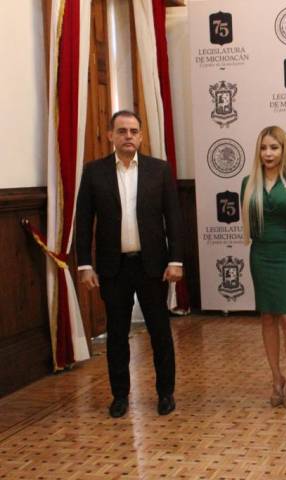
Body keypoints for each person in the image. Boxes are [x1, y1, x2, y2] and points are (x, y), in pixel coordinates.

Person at [76, 110, 183, 418]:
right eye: (122, 131)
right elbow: (84, 221)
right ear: (110, 135)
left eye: (134, 131)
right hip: (114, 268)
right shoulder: (94, 172)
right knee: (117, 335)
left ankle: (165, 393)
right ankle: (120, 396)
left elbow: (174, 218)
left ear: (141, 136)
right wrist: (84, 265)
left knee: (160, 333)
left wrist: (176, 260)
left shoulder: (159, 170)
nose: (128, 136)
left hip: (153, 267)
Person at [241, 126, 286, 408]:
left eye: (274, 147)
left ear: (284, 150)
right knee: (267, 317)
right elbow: (249, 221)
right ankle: (276, 378)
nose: (268, 153)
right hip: (261, 254)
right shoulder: (248, 183)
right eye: (263, 148)